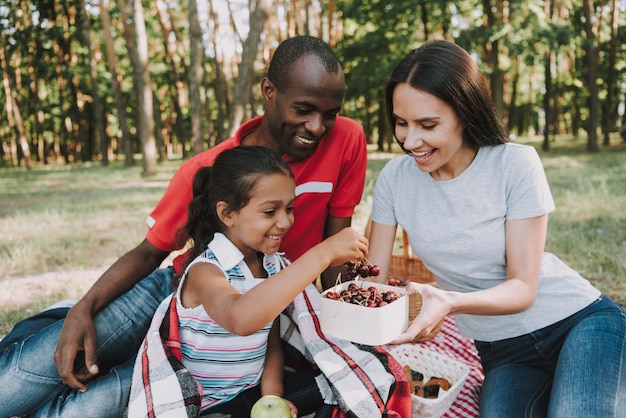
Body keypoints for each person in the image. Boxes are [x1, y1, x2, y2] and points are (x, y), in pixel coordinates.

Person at [0, 35, 367, 417]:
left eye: (330, 113)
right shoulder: (209, 170)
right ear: (269, 91)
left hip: (263, 295)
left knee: (97, 402)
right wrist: (84, 307)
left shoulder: (347, 140)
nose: (318, 125)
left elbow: (334, 250)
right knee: (39, 368)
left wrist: (360, 307)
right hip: (184, 288)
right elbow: (149, 251)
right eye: (304, 108)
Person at [366, 39, 626, 417]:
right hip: (502, 351)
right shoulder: (394, 179)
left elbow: (523, 288)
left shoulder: (515, 164)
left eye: (428, 124)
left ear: (465, 113)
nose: (410, 140)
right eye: (401, 123)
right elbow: (375, 282)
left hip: (578, 323)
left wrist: (450, 302)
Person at [129, 146, 368, 417]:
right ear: (227, 213)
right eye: (269, 212)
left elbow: (272, 345)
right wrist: (323, 253)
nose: (285, 221)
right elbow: (241, 318)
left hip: (252, 397)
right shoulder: (205, 271)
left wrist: (272, 397)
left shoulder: (272, 267)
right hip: (208, 407)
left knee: (348, 384)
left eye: (289, 208)